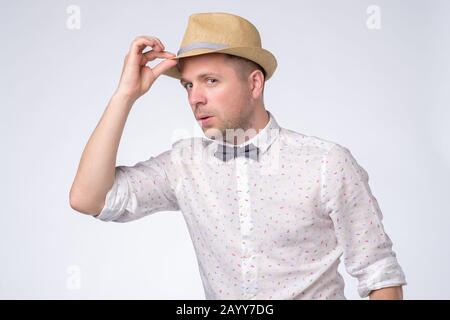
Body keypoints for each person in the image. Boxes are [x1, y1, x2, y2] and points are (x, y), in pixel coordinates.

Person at [69, 12, 407, 300]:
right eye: (188, 85)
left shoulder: (326, 163)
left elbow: (379, 273)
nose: (195, 98)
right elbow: (88, 198)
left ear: (255, 84)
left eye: (210, 80)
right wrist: (124, 96)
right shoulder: (183, 164)